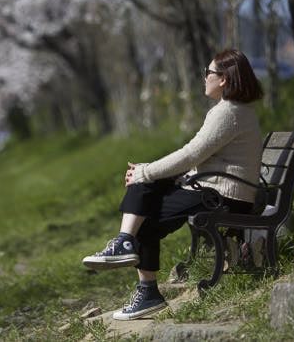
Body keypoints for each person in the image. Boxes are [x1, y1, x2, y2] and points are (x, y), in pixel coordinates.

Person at [82, 49, 263, 321]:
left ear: (224, 79)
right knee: (145, 186)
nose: (204, 78)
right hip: (216, 189)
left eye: (208, 73)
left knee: (145, 200)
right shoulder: (232, 110)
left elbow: (192, 154)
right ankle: (126, 243)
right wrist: (150, 173)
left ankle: (139, 271)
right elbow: (203, 157)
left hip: (222, 196)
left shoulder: (228, 113)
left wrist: (147, 171)